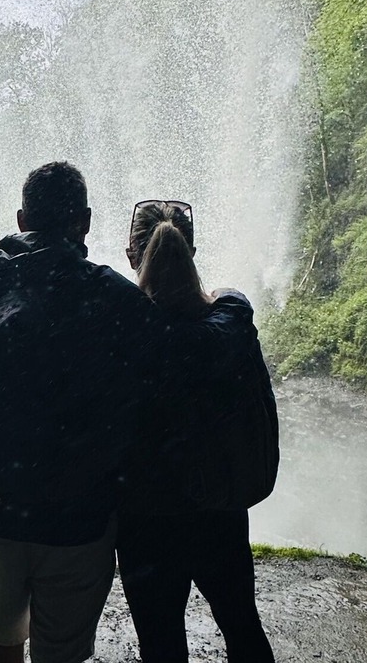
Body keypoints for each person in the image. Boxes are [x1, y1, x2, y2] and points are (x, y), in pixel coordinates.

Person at [0, 164, 252, 663]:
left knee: (4, 641)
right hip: (80, 520)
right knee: (62, 654)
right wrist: (233, 305)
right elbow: (189, 349)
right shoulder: (113, 299)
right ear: (85, 222)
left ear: (21, 218)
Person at [116, 200, 276, 663]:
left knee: (162, 646)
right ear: (192, 250)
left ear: (131, 255)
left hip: (145, 520)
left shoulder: (119, 335)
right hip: (218, 508)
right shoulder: (231, 321)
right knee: (242, 626)